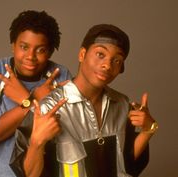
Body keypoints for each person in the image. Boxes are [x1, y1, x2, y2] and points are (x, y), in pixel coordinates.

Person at [9, 24, 158, 177]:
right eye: (100, 54)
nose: (107, 65)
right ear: (82, 54)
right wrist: (37, 143)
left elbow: (125, 164)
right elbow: (27, 175)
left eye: (117, 60)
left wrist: (149, 130)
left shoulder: (122, 104)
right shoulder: (47, 108)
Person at [0, 10, 72, 177]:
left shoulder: (60, 75)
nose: (30, 56)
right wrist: (32, 100)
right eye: (24, 47)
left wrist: (26, 100)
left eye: (41, 50)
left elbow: (65, 132)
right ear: (13, 45)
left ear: (51, 51)